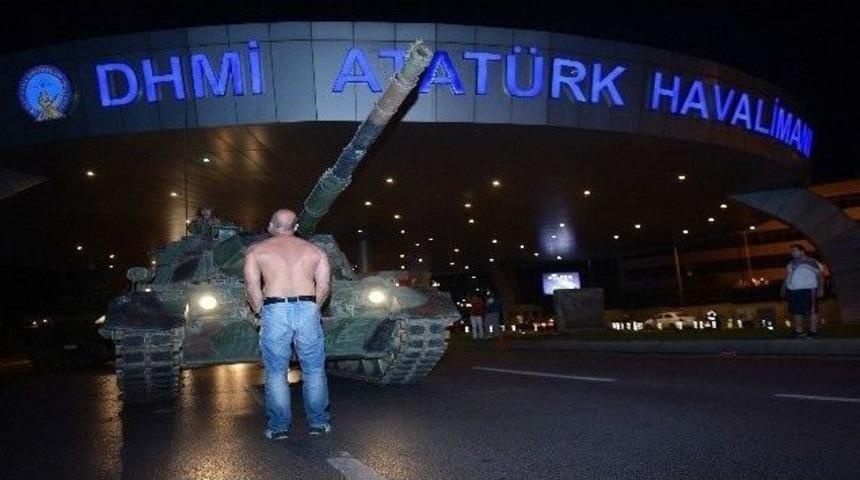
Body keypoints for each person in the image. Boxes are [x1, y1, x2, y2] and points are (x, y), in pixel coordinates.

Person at [243, 209, 332, 440]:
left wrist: (261, 312)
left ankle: (279, 427)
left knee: (275, 372)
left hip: (274, 309)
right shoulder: (316, 251)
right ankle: (319, 423)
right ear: (295, 227)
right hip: (308, 308)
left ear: (272, 226)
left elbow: (253, 289)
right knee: (313, 370)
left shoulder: (257, 251)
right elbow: (323, 288)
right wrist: (315, 309)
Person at [781, 244, 824, 338]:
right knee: (796, 311)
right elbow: (787, 276)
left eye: (794, 251)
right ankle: (799, 331)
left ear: (802, 251)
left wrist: (820, 289)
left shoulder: (812, 262)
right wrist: (784, 288)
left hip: (809, 289)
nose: (792, 253)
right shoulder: (791, 263)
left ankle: (813, 331)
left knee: (812, 310)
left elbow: (820, 276)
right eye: (791, 251)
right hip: (793, 290)